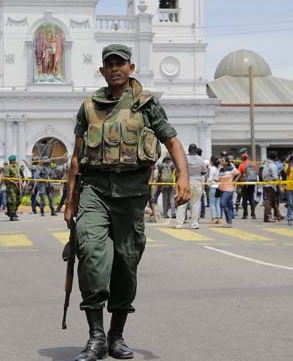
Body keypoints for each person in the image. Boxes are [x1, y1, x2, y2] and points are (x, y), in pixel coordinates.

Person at [63, 44, 190, 361]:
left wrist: (183, 177)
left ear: (131, 68)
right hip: (94, 191)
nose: (115, 68)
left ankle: (116, 335)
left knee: (125, 263)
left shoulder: (147, 105)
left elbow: (172, 141)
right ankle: (95, 337)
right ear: (102, 70)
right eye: (110, 64)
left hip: (132, 194)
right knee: (91, 254)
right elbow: (76, 159)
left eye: (121, 63)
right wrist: (70, 202)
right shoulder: (89, 107)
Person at [176, 143, 207, 229]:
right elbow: (204, 172)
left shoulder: (184, 158)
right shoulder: (201, 160)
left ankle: (179, 224)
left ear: (188, 150)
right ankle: (194, 224)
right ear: (196, 150)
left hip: (186, 182)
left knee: (182, 204)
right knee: (196, 204)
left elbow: (179, 169)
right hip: (197, 183)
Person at [218, 158, 241, 227]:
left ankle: (229, 220)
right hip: (221, 189)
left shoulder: (231, 169)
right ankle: (229, 221)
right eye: (221, 161)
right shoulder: (221, 169)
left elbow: (239, 174)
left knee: (222, 204)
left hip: (229, 189)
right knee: (225, 205)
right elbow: (219, 178)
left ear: (227, 162)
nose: (221, 162)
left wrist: (235, 181)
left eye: (222, 161)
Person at [261, 151, 282, 222]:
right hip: (270, 185)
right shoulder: (272, 165)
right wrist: (281, 186)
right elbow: (275, 177)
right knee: (269, 201)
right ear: (276, 157)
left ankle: (278, 215)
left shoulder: (266, 164)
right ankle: (267, 217)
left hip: (267, 184)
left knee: (274, 201)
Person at [238, 153, 259, 219]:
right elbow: (257, 172)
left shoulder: (241, 165)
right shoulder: (254, 164)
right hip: (252, 183)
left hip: (245, 183)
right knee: (251, 198)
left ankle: (245, 214)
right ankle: (253, 214)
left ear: (243, 158)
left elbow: (239, 174)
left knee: (244, 199)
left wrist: (240, 183)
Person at [3, 155, 22, 221]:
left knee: (18, 201)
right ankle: (12, 215)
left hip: (17, 186)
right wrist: (14, 182)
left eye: (15, 160)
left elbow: (20, 175)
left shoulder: (17, 167)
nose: (14, 161)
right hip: (11, 186)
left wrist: (21, 181)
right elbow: (6, 178)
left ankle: (11, 212)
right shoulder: (7, 168)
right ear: (10, 161)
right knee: (12, 200)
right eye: (13, 160)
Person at [206, 156, 222, 224]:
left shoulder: (212, 168)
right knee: (217, 203)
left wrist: (206, 183)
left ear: (212, 162)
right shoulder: (218, 168)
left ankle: (213, 218)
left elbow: (210, 178)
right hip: (218, 186)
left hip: (213, 186)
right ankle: (218, 218)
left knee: (212, 204)